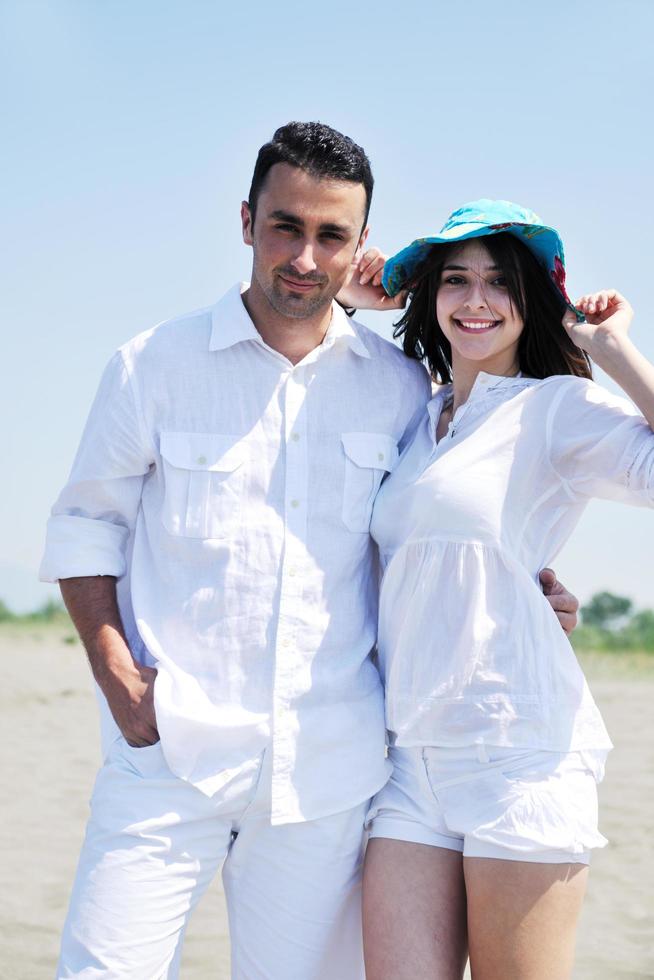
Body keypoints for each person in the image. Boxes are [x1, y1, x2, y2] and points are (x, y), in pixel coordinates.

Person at [40, 129, 577, 980]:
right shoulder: (153, 365)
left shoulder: (399, 385)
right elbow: (84, 525)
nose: (304, 255)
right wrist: (116, 675)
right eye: (286, 227)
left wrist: (527, 588)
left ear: (360, 246)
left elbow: (434, 521)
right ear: (246, 220)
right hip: (165, 753)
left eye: (332, 236)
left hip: (326, 778)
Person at [360, 200, 654, 980]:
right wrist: (361, 294)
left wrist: (614, 350)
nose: (477, 300)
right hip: (406, 759)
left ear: (533, 298)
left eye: (500, 281)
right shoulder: (415, 418)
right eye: (455, 281)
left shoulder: (556, 408)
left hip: (518, 752)